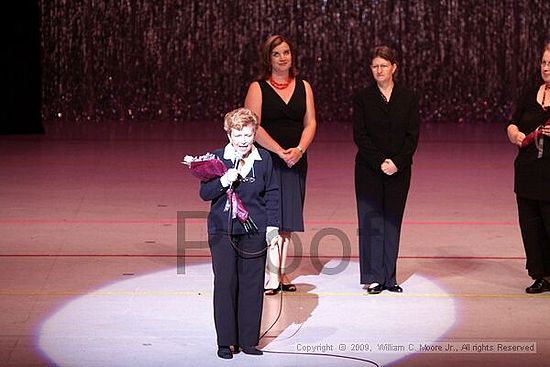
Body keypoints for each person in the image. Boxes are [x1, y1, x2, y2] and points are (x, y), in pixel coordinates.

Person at [198, 108, 281, 358]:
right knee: (225, 283)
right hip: (223, 230)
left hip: (254, 231)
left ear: (255, 133)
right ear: (228, 133)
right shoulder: (216, 158)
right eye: (238, 135)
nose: (243, 140)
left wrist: (272, 228)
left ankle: (247, 341)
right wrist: (223, 181)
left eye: (248, 134)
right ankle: (225, 342)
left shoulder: (264, 159)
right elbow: (205, 193)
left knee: (252, 284)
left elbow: (273, 193)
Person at [244, 35, 317, 295]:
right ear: (268, 58)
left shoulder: (304, 86)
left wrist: (298, 150)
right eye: (277, 54)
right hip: (268, 161)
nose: (283, 57)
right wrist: (278, 151)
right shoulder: (258, 87)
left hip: (295, 161)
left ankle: (280, 270)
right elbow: (253, 125)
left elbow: (310, 123)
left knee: (287, 220)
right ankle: (268, 272)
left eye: (286, 52)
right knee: (269, 218)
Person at [353, 45, 420, 295]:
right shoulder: (362, 98)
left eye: (383, 65)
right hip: (369, 169)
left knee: (392, 221)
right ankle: (373, 277)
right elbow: (360, 136)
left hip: (399, 170)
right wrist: (380, 161)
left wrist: (397, 162)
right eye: (375, 66)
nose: (379, 70)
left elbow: (412, 136)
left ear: (394, 68)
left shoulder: (409, 98)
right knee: (371, 221)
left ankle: (389, 277)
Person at [506, 42, 550, 294]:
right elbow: (513, 122)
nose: (545, 68)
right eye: (543, 63)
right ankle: (541, 275)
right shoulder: (529, 93)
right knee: (531, 228)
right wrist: (514, 133)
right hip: (527, 174)